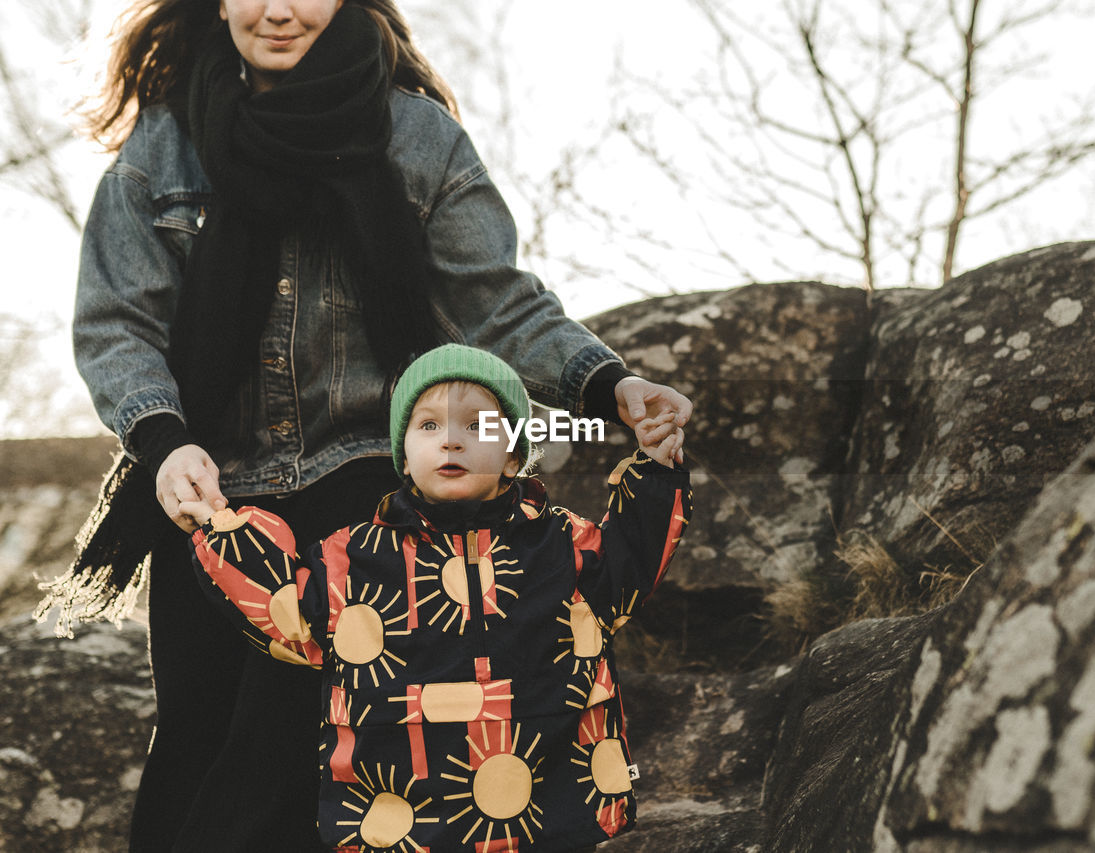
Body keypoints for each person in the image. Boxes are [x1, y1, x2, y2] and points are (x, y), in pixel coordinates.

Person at [49, 1, 691, 850]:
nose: (278, 10)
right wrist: (164, 442)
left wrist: (608, 382)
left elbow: (493, 300)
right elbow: (116, 323)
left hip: (366, 492)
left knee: (305, 754)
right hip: (208, 490)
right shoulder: (163, 147)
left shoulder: (417, 140)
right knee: (197, 749)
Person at [181, 344, 692, 852]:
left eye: (477, 426)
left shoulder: (564, 545)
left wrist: (655, 464)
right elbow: (284, 609)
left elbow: (632, 562)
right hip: (404, 825)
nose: (451, 440)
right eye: (428, 426)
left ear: (513, 456)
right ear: (404, 455)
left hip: (550, 814)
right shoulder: (351, 558)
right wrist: (218, 525)